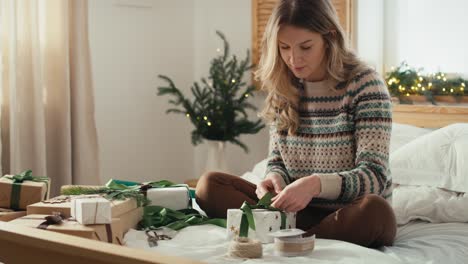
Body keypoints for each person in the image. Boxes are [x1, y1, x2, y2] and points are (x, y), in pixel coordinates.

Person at [196, 0, 396, 248]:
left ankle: (289, 236)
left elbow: (374, 175)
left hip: (348, 213)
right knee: (208, 186)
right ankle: (300, 235)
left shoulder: (365, 84)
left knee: (375, 211)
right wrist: (273, 179)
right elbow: (277, 160)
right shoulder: (283, 85)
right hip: (294, 212)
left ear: (329, 37)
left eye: (306, 47)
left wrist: (314, 185)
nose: (294, 58)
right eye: (284, 47)